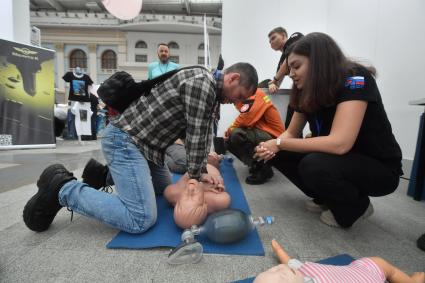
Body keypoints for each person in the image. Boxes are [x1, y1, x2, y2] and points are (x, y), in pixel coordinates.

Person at [23, 62, 258, 234]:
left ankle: (104, 175)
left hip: (147, 149)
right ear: (232, 78)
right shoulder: (203, 84)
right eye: (239, 96)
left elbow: (198, 135)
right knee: (141, 218)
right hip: (126, 141)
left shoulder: (206, 87)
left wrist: (202, 173)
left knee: (163, 190)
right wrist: (197, 177)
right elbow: (197, 136)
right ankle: (65, 189)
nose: (236, 102)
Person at [254, 32, 403, 228]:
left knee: (313, 164)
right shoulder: (305, 88)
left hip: (378, 167)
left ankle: (357, 205)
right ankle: (327, 197)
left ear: (318, 62)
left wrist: (279, 143)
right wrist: (271, 147)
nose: (291, 74)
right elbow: (290, 133)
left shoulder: (355, 78)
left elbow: (340, 143)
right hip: (339, 159)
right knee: (278, 153)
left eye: (296, 66)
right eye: (290, 68)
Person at [254, 239, 425, 283]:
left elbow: (288, 261)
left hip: (358, 268)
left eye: (270, 270)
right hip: (368, 279)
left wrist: (278, 250)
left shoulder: (297, 271)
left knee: (377, 261)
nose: (277, 269)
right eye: (282, 277)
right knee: (387, 269)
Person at [225, 88, 285, 185]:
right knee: (229, 142)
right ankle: (256, 164)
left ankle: (264, 168)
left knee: (236, 134)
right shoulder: (250, 96)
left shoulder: (257, 94)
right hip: (264, 133)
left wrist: (229, 131)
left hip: (275, 136)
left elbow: (246, 117)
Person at [164, 152, 231, 229]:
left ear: (177, 202)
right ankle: (218, 157)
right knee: (212, 157)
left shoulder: (173, 193)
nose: (190, 189)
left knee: (183, 158)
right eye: (193, 196)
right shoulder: (216, 201)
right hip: (211, 165)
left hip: (193, 164)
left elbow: (188, 174)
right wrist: (217, 184)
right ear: (204, 204)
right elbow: (224, 195)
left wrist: (200, 176)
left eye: (186, 195)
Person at [267, 27, 303, 128]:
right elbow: (278, 80)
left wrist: (275, 80)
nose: (271, 43)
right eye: (269, 42)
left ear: (283, 36)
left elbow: (286, 62)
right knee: (290, 124)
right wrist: (273, 84)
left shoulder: (295, 36)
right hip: (300, 90)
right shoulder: (281, 62)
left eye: (273, 38)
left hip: (316, 82)